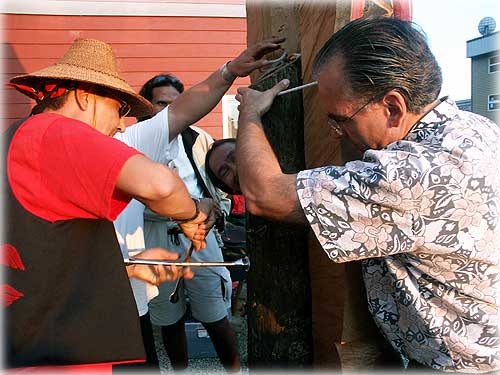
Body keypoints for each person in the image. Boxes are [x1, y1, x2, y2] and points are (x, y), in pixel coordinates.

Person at [234, 17, 500, 373]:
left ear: (392, 107)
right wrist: (351, 128)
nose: (336, 131)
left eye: (341, 119)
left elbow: (265, 194)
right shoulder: (475, 129)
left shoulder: (407, 177)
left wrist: (249, 115)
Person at [3, 38, 214, 371]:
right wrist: (193, 214)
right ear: (84, 97)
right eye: (119, 108)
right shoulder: (54, 131)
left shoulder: (22, 139)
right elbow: (160, 185)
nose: (121, 124)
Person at [112, 38, 285, 373]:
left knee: (215, 315)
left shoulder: (200, 139)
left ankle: (234, 370)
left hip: (201, 238)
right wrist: (187, 207)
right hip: (154, 239)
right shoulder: (136, 141)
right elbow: (142, 196)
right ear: (147, 106)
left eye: (173, 104)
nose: (167, 111)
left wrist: (215, 208)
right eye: (160, 104)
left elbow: (216, 180)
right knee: (168, 319)